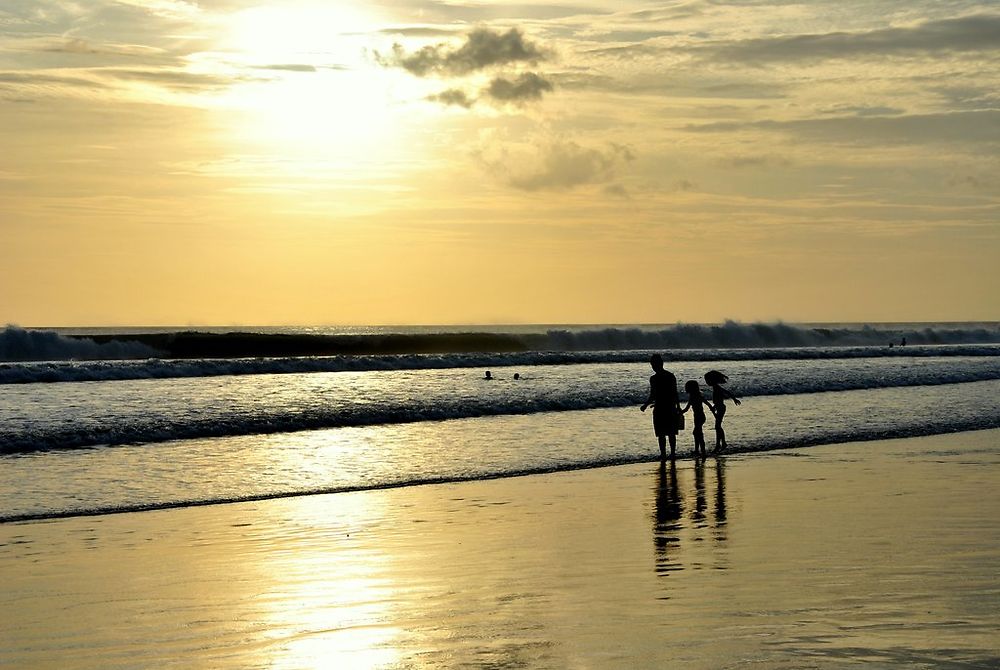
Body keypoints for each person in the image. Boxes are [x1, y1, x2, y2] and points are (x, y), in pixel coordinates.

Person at [640, 354, 682, 460]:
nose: (653, 366)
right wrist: (678, 406)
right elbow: (674, 393)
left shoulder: (654, 378)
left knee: (661, 433)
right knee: (671, 432)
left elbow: (653, 394)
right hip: (669, 406)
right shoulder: (670, 376)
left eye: (653, 364)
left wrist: (645, 405)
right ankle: (672, 453)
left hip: (660, 408)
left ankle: (664, 454)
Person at [704, 370, 740, 452]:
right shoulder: (716, 387)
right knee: (718, 427)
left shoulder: (716, 388)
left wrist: (734, 399)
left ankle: (719, 444)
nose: (706, 382)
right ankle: (722, 443)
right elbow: (721, 397)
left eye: (707, 380)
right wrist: (733, 399)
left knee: (717, 426)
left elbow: (722, 396)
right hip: (719, 407)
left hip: (720, 408)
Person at [681, 380, 713, 457]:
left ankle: (702, 451)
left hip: (699, 417)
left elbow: (686, 409)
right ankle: (698, 450)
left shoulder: (693, 396)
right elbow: (708, 404)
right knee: (697, 433)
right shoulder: (698, 395)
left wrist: (679, 412)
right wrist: (713, 411)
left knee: (698, 433)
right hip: (700, 416)